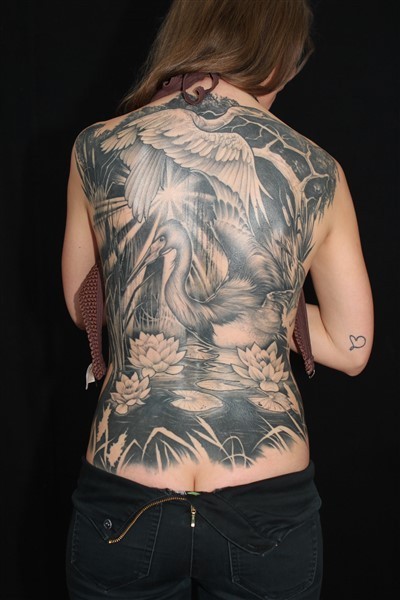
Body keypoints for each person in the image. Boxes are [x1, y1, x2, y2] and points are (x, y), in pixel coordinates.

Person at [61, 0, 374, 598]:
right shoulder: (319, 171)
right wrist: (265, 305)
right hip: (266, 503)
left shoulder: (96, 147)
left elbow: (85, 309)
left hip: (123, 495)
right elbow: (350, 346)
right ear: (273, 54)